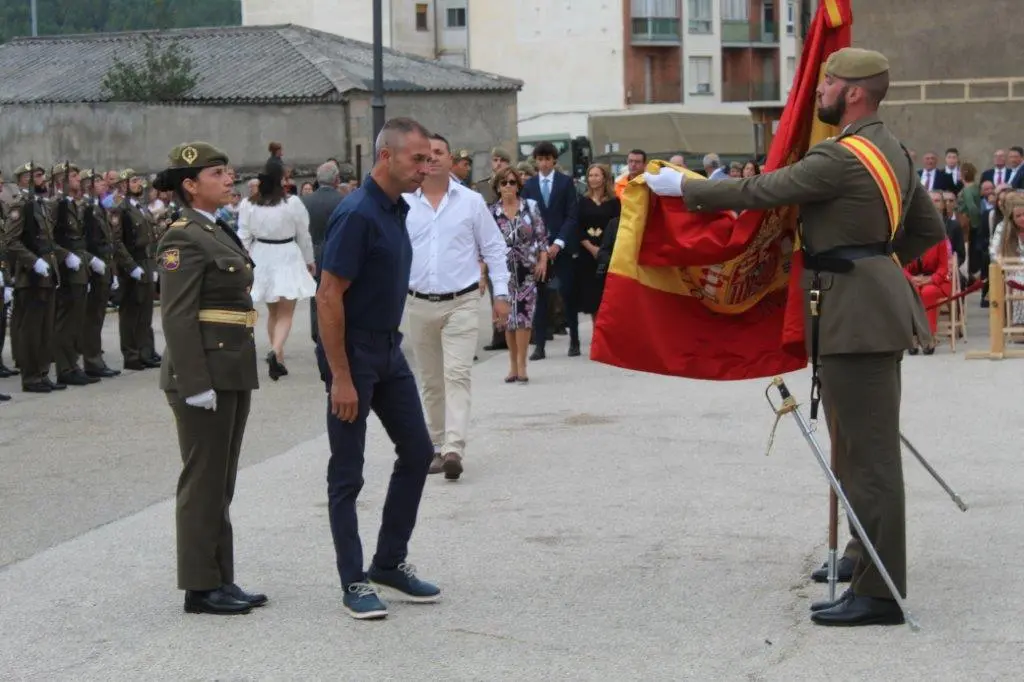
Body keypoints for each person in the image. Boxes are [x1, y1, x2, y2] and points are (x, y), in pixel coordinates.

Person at [644, 47, 947, 627]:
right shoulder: (894, 151)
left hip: (854, 320)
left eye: (827, 83)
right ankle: (863, 555)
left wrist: (684, 189)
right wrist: (872, 264)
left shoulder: (841, 157)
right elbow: (925, 229)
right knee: (856, 448)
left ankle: (879, 593)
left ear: (854, 92)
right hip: (859, 312)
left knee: (869, 458)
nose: (819, 93)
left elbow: (762, 190)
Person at [315, 117, 440, 620]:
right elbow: (328, 297)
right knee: (348, 472)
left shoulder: (396, 209)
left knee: (418, 451)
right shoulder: (358, 213)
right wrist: (342, 377)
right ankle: (353, 581)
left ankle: (388, 561)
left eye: (430, 159)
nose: (425, 168)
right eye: (417, 159)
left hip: (388, 350)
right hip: (354, 355)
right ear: (386, 157)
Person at [154, 141, 263, 616]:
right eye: (219, 173)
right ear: (191, 185)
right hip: (205, 375)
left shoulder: (215, 229)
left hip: (231, 367)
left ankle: (221, 577)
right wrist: (194, 383)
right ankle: (200, 588)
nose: (229, 178)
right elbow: (177, 318)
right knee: (203, 481)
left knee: (221, 480)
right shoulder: (182, 237)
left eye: (228, 170)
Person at [403, 133, 509, 480]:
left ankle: (454, 448)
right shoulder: (405, 202)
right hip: (418, 303)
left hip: (461, 302)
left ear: (451, 160)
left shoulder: (470, 202)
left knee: (457, 374)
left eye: (438, 152)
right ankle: (435, 444)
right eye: (425, 154)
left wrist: (502, 294)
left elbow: (493, 248)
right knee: (432, 381)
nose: (431, 159)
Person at [237, 163, 317, 380]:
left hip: (261, 254)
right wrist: (309, 259)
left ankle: (278, 355)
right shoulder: (292, 203)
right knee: (285, 312)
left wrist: (243, 260)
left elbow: (243, 234)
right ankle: (276, 350)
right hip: (286, 253)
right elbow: (304, 234)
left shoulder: (248, 204)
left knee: (273, 311)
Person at [4, 162, 64, 393]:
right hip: (30, 278)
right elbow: (11, 241)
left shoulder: (41, 205)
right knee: (31, 330)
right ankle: (30, 377)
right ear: (23, 180)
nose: (43, 179)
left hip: (47, 275)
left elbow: (47, 242)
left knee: (45, 329)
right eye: (37, 176)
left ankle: (42, 373)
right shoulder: (21, 205)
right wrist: (34, 261)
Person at [301, 162, 348, 343]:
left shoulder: (305, 201)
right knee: (339, 294)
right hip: (338, 252)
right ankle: (337, 330)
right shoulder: (344, 200)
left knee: (317, 295)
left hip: (313, 252)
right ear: (336, 179)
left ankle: (317, 331)